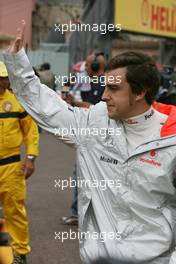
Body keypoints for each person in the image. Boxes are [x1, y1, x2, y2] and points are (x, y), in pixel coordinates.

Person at [3, 20, 176, 264]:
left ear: (140, 92)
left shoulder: (171, 141)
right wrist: (17, 61)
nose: (104, 95)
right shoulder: (95, 123)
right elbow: (47, 108)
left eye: (114, 89)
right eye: (105, 86)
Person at [0, 60, 39, 264]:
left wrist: (31, 157)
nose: (2, 82)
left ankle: (20, 253)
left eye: (4, 78)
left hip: (11, 166)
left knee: (15, 212)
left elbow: (31, 132)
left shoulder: (16, 103)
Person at [60, 52, 106, 225]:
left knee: (81, 174)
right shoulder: (93, 82)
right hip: (91, 135)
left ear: (95, 67)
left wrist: (74, 103)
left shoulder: (103, 83)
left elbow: (94, 108)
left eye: (87, 65)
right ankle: (82, 213)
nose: (85, 68)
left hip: (97, 137)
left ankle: (79, 214)